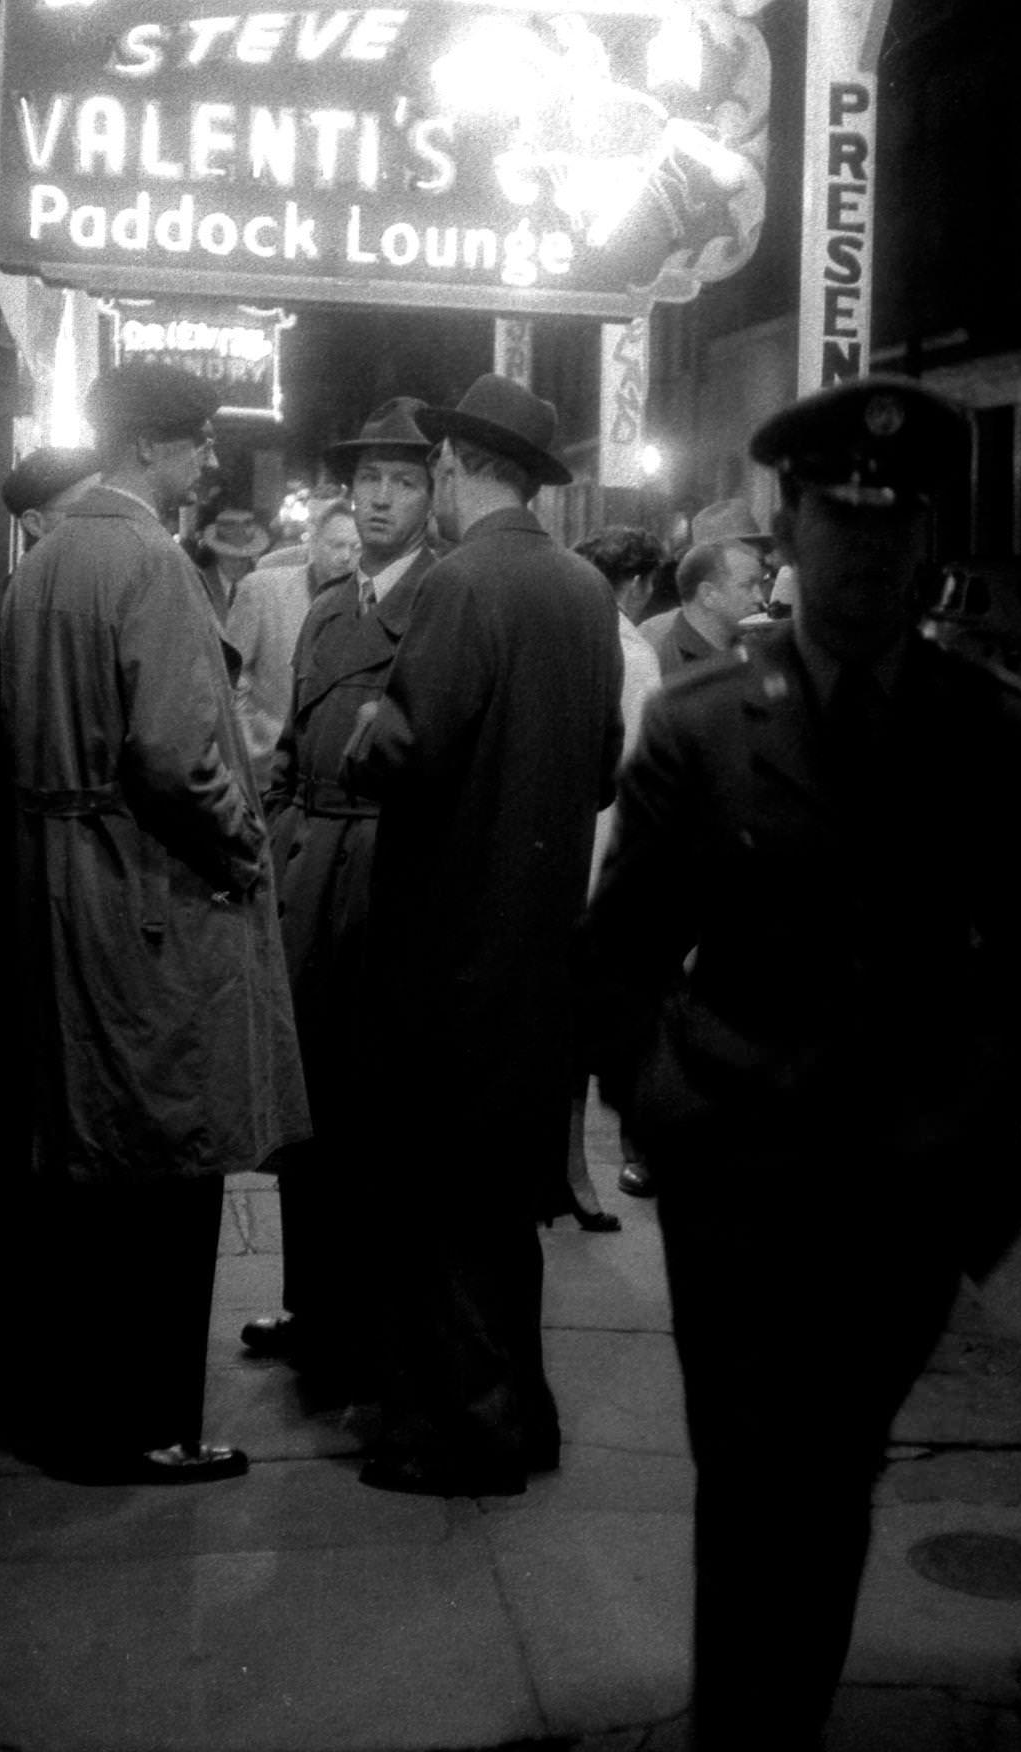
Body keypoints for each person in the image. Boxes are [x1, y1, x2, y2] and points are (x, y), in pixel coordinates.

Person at [580, 376, 1021, 1748]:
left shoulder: (989, 729)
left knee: (834, 1475)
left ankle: (777, 1716)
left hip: (903, 1191)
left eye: (893, 519)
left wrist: (968, 1129)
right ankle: (751, 1730)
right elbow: (616, 965)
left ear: (927, 544)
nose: (864, 545)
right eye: (835, 518)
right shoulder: (699, 724)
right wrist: (669, 1109)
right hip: (740, 1181)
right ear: (790, 531)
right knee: (746, 1478)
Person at [0, 362, 310, 1485]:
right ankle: (146, 1424)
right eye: (195, 446)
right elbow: (180, 756)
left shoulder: (44, 562)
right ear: (150, 450)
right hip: (147, 897)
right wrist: (243, 844)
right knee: (169, 1162)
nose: (209, 465)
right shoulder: (149, 561)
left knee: (91, 1165)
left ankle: (81, 1406)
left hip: (62, 882)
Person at [341, 372, 624, 1497]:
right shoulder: (584, 587)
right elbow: (601, 765)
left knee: (437, 1205)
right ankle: (523, 1417)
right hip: (537, 949)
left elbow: (403, 749)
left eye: (436, 472)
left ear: (455, 469)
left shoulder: (461, 583)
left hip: (446, 946)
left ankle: (459, 1436)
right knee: (503, 1207)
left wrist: (369, 724)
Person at [240, 402, 438, 1378]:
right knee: (305, 1102)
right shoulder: (325, 604)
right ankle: (309, 1303)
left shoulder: (443, 602)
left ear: (434, 495)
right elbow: (286, 742)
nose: (381, 496)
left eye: (403, 480)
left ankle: (367, 1323)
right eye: (369, 480)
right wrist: (279, 830)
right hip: (310, 872)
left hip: (382, 878)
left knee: (372, 1112)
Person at [0, 446, 101, 1403]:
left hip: (37, 910)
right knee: (13, 1138)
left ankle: (25, 1342)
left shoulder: (30, 609)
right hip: (14, 916)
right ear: (41, 522)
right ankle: (11, 1348)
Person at [572, 524, 665, 1212]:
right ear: (633, 585)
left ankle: (567, 1163)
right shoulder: (632, 654)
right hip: (604, 854)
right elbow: (638, 773)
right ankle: (588, 1166)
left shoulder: (566, 634)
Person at [227, 496, 361, 791]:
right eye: (336, 545)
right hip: (261, 767)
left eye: (356, 548)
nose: (346, 557)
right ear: (312, 544)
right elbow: (230, 675)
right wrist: (249, 742)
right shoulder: (262, 589)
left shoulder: (365, 605)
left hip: (324, 777)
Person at [640, 497, 771, 658]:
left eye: (759, 558)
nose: (760, 597)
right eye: (743, 551)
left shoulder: (763, 635)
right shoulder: (655, 640)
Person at [647, 534, 767, 677]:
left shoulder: (757, 649)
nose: (760, 598)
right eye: (748, 586)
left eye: (760, 585)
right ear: (708, 594)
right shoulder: (657, 661)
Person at [192, 503, 269, 619]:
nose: (238, 564)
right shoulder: (199, 584)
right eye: (230, 558)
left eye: (244, 559)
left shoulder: (263, 586)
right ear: (218, 555)